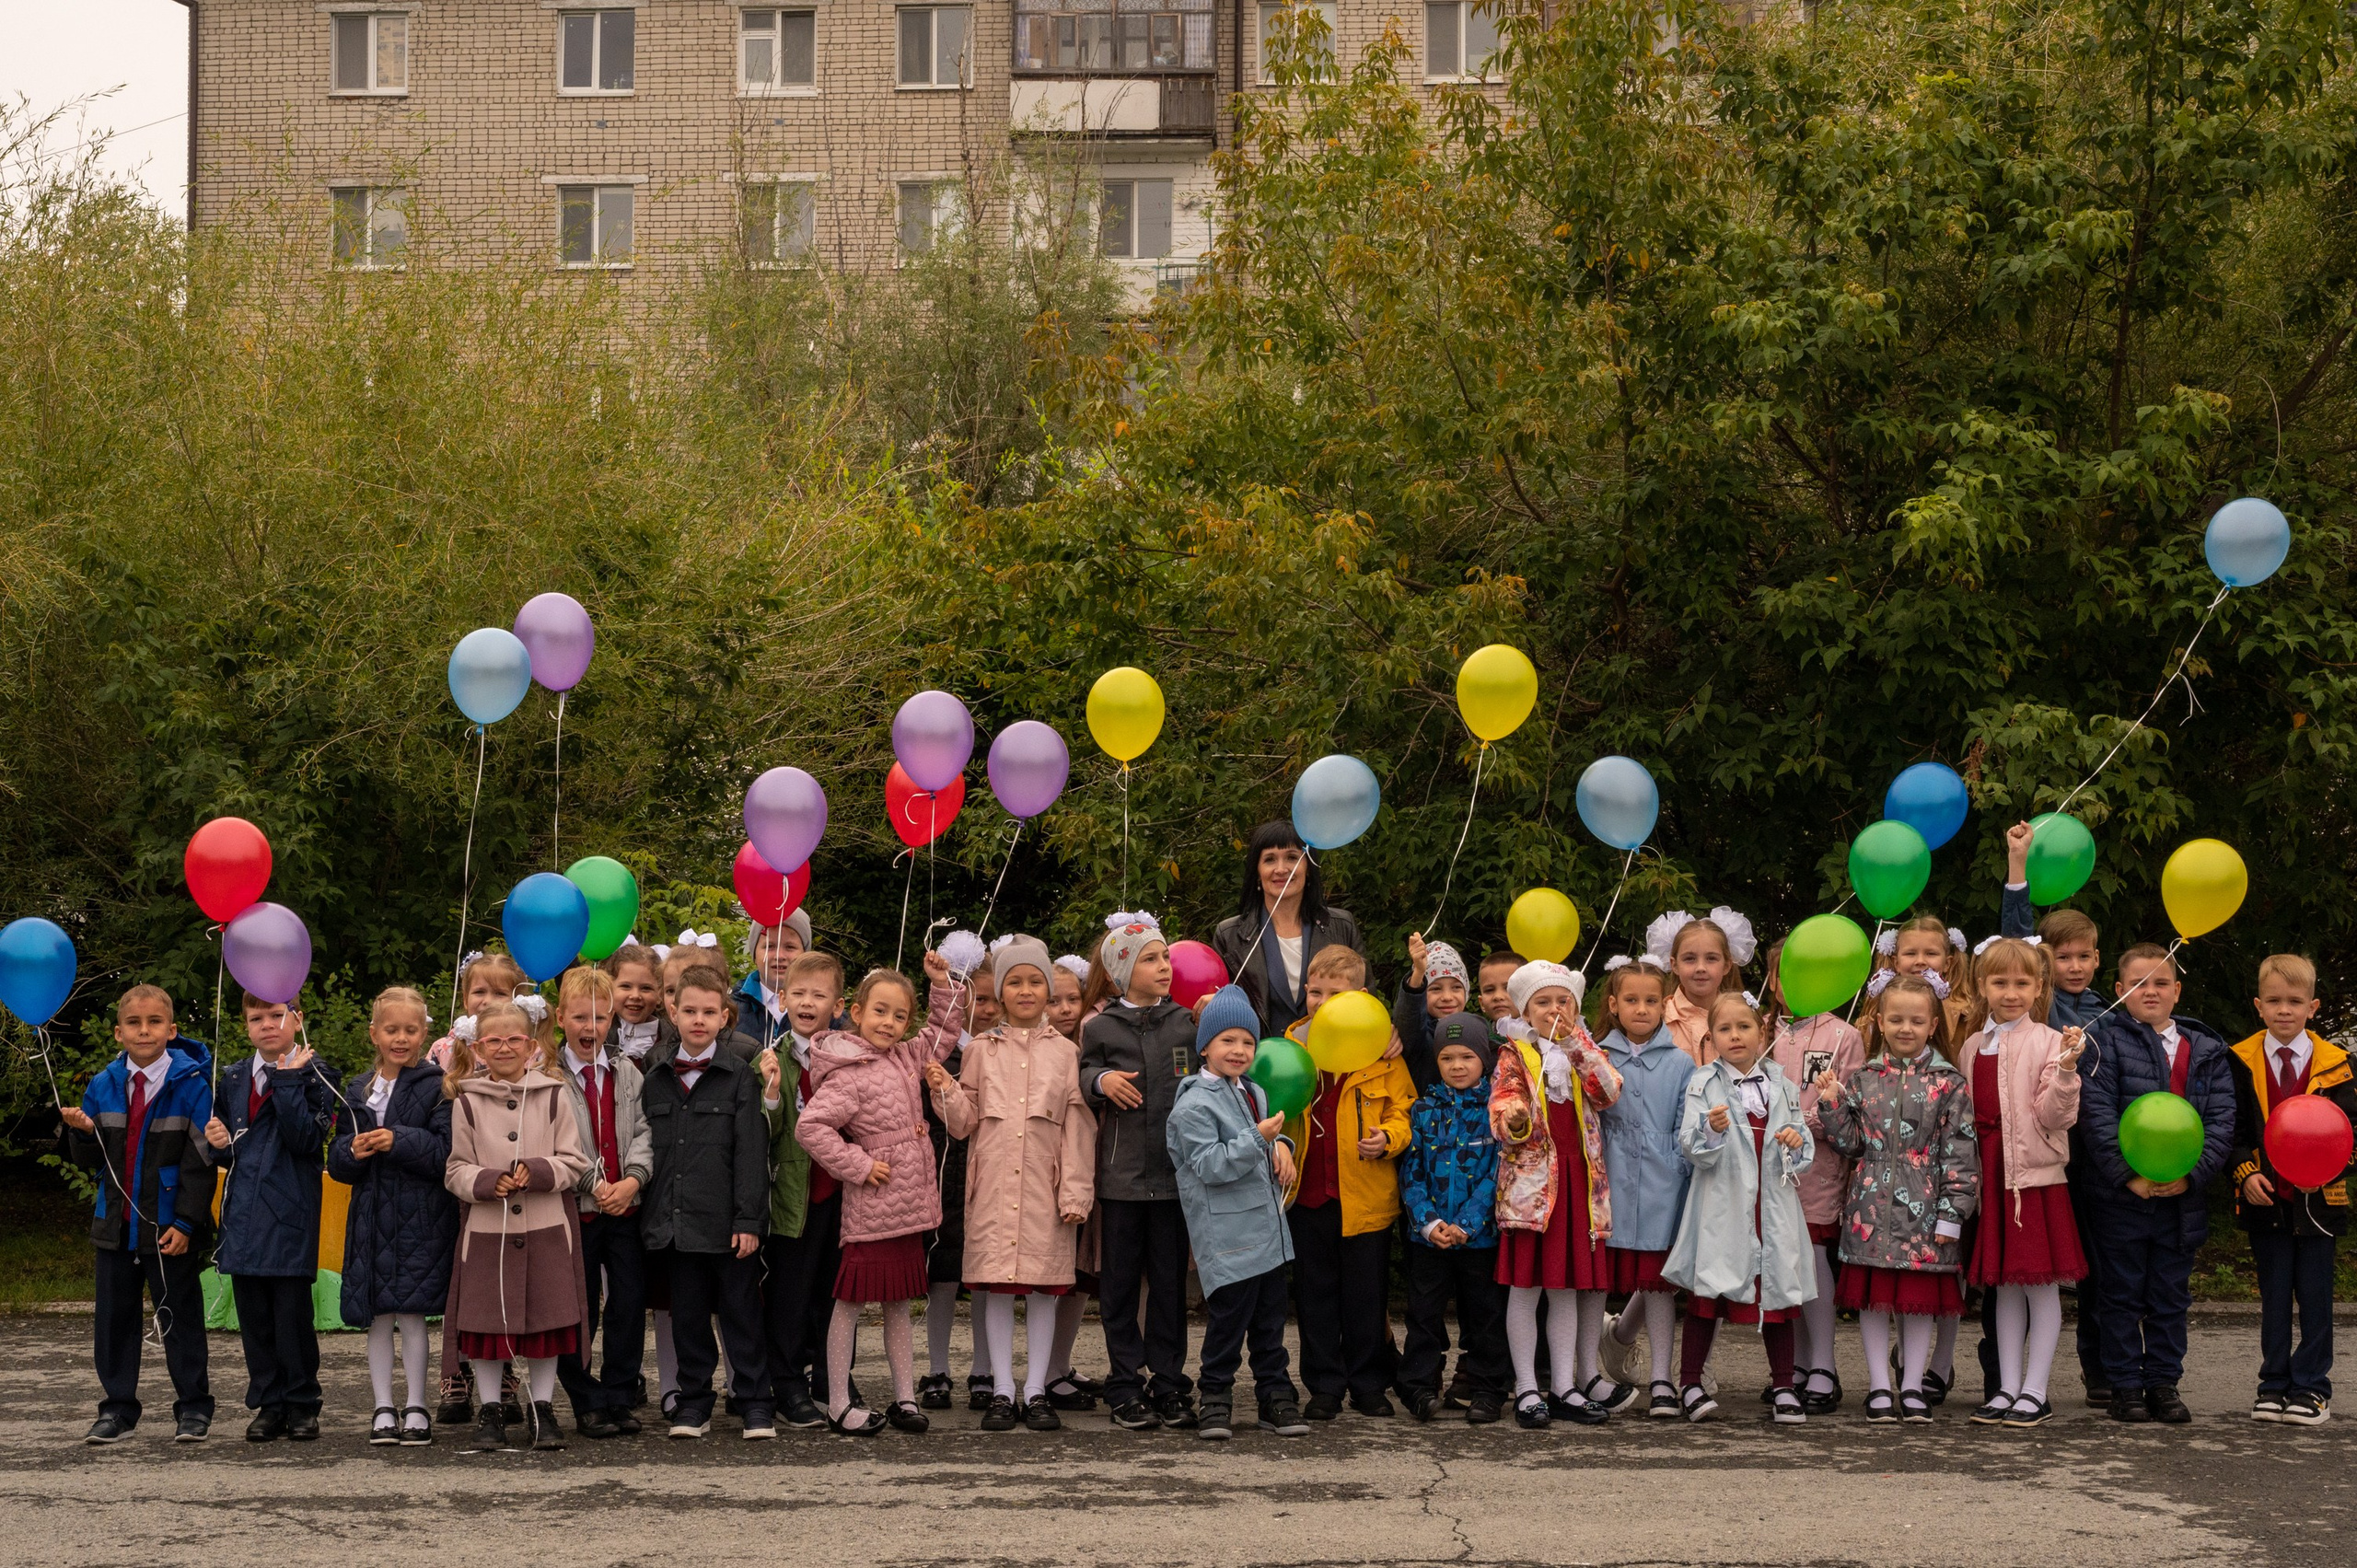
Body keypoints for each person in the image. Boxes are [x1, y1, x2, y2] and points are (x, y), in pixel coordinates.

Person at [927, 935, 1097, 1432]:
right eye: (1014, 982)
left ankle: (1038, 1389)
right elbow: (964, 1123)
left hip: (1046, 1192)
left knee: (1045, 1291)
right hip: (994, 1193)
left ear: (1049, 991)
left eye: (1035, 981)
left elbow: (1078, 1131)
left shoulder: (1068, 1054)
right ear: (999, 993)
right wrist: (945, 1091)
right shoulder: (979, 1050)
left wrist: (1075, 1193)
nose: (1025, 990)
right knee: (997, 1290)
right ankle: (1003, 1390)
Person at [796, 950, 968, 1435]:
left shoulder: (906, 1057)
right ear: (855, 1012)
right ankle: (835, 1401)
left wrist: (940, 985)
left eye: (899, 1016)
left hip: (909, 1211)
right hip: (872, 1211)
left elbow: (943, 1034)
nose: (889, 1023)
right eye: (879, 1011)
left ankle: (905, 1398)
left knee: (898, 1305)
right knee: (849, 1305)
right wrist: (859, 1164)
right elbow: (811, 1128)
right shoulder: (847, 1072)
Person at [2082, 943, 2236, 1423]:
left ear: (2178, 991)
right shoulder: (2101, 1044)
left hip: (2180, 1201)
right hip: (2121, 1197)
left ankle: (2164, 1383)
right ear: (2119, 990)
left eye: (2161, 983)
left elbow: (2222, 1121)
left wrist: (2191, 1175)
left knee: (2170, 1296)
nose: (2151, 991)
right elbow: (2096, 1116)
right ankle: (2126, 1385)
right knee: (2120, 1293)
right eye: (2138, 983)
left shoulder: (2207, 1051)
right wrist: (2129, 1175)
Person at [1813, 975, 1978, 1423]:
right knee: (1874, 1300)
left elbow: (1960, 1152)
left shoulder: (1949, 1083)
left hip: (1924, 1212)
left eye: (1917, 1020)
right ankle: (1879, 1387)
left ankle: (1912, 1385)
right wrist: (1832, 1104)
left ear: (1932, 1024)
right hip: (1868, 1208)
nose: (1907, 1028)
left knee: (1918, 1301)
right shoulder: (1864, 1078)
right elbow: (1850, 1144)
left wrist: (1952, 1215)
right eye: (1897, 1019)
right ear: (1880, 1021)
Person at [61, 984, 216, 1445]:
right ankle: (118, 1409)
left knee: (179, 1318)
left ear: (171, 1029)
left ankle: (193, 1407)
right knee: (113, 1321)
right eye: (134, 1023)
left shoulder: (191, 1085)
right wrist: (85, 1136)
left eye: (153, 1023)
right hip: (115, 1224)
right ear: (118, 1032)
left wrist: (187, 1222)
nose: (143, 1030)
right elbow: (90, 1162)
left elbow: (202, 1164)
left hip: (169, 1226)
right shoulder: (103, 1085)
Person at [442, 997, 594, 1453]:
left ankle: (543, 1409)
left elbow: (575, 1161)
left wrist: (540, 1170)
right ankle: (490, 1410)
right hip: (489, 1233)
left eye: (514, 1040)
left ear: (530, 1045)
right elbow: (455, 1170)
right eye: (494, 1041)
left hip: (547, 1228)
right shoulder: (466, 1102)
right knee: (488, 1325)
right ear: (478, 1048)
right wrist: (488, 1182)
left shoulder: (553, 1094)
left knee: (545, 1324)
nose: (504, 1048)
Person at [1953, 937, 2086, 1428]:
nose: (2011, 992)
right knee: (2003, 1287)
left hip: (2032, 1180)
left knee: (2040, 1287)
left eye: (2022, 983)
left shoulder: (2050, 1042)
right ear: (1981, 986)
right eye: (2000, 982)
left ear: (2038, 987)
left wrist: (2067, 1071)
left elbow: (2055, 1115)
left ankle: (2037, 1390)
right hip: (1990, 1179)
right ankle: (2007, 1387)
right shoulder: (1971, 1046)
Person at [1167, 984, 1309, 1441]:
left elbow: (1261, 1144)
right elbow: (1209, 1165)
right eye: (1227, 1040)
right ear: (1204, 1046)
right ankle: (1215, 1399)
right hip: (1228, 1239)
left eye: (1247, 1041)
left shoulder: (1253, 1092)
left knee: (1270, 1326)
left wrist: (1283, 1147)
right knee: (1227, 1326)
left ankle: (1275, 1397)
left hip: (1267, 1232)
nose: (1240, 1050)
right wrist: (1262, 1140)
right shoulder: (1192, 1104)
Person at [1663, 993, 1815, 1423]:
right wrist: (1710, 1132)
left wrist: (1795, 1144)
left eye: (1744, 1027)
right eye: (1725, 1029)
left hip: (1771, 1209)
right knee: (1707, 1295)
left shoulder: (1782, 1085)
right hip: (1723, 1208)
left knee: (1778, 1294)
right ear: (1711, 1038)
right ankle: (1690, 1381)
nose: (1735, 1036)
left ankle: (1784, 1383)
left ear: (1762, 1032)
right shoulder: (1703, 1083)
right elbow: (1690, 1146)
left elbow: (1803, 1149)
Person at [1278, 944, 1414, 1420]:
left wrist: (1390, 1138)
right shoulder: (1290, 1045)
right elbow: (1268, 1103)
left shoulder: (1381, 1052)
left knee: (1365, 1298)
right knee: (1314, 1297)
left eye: (1335, 993)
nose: (1321, 1001)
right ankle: (1324, 1387)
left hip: (1365, 1198)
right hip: (1308, 1196)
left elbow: (1405, 1110)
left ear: (1359, 996)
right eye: (1315, 991)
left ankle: (1369, 1385)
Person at [639, 962, 772, 1441]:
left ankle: (756, 1402)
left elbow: (751, 1153)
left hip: (727, 1224)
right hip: (677, 1225)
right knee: (688, 1319)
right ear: (673, 1012)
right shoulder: (653, 1077)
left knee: (741, 1314)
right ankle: (693, 1403)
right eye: (689, 1010)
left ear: (724, 1017)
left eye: (709, 1012)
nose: (698, 1019)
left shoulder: (740, 1077)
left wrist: (748, 1219)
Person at [1078, 912, 1201, 1430]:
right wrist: (1101, 1079)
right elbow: (1083, 1071)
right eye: (1150, 958)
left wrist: (1219, 1014)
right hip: (1122, 1180)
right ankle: (1125, 1384)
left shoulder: (1187, 1022)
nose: (1164, 966)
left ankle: (1170, 1383)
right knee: (1121, 1287)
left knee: (1171, 1288)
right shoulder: (1102, 1026)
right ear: (1122, 971)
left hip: (1174, 1180)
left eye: (1166, 956)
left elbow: (1222, 1061)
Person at [1489, 959, 1622, 1427]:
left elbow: (1608, 1092)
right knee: (1526, 1288)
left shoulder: (1584, 1050)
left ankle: (1564, 1385)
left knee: (1566, 1287)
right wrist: (1515, 1120)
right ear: (1525, 1012)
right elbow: (1504, 1103)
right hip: (1532, 1191)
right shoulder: (1513, 1054)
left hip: (1579, 1187)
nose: (1553, 1010)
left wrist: (1576, 1043)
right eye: (1542, 1003)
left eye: (1561, 1001)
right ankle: (1527, 1386)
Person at [201, 991, 339, 1443]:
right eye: (256, 1017)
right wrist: (217, 1140)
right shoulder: (235, 1076)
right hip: (243, 1216)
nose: (267, 1025)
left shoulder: (319, 1076)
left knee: (292, 1319)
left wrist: (287, 1080)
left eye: (277, 1015)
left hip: (289, 1214)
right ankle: (268, 1403)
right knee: (255, 1320)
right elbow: (230, 1148)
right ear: (245, 1025)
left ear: (297, 1020)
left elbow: (304, 1140)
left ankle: (302, 1402)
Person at [328, 985, 455, 1447]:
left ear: (425, 1033)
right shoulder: (356, 1088)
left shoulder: (439, 1085)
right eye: (391, 1029)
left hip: (420, 1218)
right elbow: (337, 1159)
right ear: (373, 1034)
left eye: (411, 1029)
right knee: (378, 1316)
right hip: (369, 1218)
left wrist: (398, 1140)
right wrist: (353, 1150)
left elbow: (445, 1152)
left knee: (414, 1314)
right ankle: (383, 1405)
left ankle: (417, 1404)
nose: (401, 1038)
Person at [2227, 954, 2351, 1425]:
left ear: (2313, 1006)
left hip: (2320, 1202)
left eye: (2295, 1001)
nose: (2284, 1010)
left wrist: (2329, 1169)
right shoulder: (2238, 1061)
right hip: (2266, 1200)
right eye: (2274, 1001)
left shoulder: (2339, 1065)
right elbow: (2231, 1131)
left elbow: (2351, 1134)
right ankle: (2273, 1385)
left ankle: (2312, 1388)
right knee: (2274, 1296)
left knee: (2316, 1296)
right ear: (2259, 1005)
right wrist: (2245, 1173)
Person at [552, 965, 654, 1439]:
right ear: (560, 1019)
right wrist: (593, 1183)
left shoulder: (628, 1073)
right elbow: (557, 1141)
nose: (588, 1027)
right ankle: (585, 1398)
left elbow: (642, 1132)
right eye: (578, 1018)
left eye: (598, 1018)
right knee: (579, 1306)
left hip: (624, 1208)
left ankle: (618, 1393)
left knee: (628, 1303)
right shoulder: (549, 1080)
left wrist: (632, 1181)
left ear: (611, 1021)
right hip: (578, 1210)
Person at [1763, 945, 1865, 1413]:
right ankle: (1799, 1365)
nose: (1793, 985)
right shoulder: (1761, 1032)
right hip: (1767, 1168)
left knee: (1814, 1257)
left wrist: (1803, 1124)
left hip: (1817, 1169)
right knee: (1785, 1261)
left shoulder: (1843, 1036)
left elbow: (1847, 1109)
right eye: (1783, 975)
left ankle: (1824, 1364)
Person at [1595, 957, 1695, 1418]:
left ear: (1664, 1005)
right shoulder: (1596, 1056)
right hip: (1609, 1184)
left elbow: (1685, 1124)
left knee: (1658, 1285)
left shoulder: (1680, 1063)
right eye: (1631, 1000)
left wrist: (1678, 1165)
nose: (1641, 1009)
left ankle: (1661, 1379)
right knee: (1597, 1281)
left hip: (1661, 1185)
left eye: (1651, 1000)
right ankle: (1585, 1374)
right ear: (1613, 1005)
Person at [1398, 1011, 1509, 1424]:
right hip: (1430, 1239)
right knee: (1423, 1315)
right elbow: (1411, 1172)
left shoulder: (1496, 1110)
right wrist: (1428, 1223)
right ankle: (1420, 1388)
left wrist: (1467, 1223)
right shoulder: (1423, 1110)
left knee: (1484, 1316)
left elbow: (1498, 1174)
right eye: (1447, 1058)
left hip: (1477, 1239)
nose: (1457, 1066)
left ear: (1485, 1059)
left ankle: (1487, 1388)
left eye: (1466, 1057)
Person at [757, 948, 851, 1430]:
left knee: (836, 1292)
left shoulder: (854, 1058)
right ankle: (788, 1383)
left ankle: (834, 1379)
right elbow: (765, 1135)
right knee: (790, 1293)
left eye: (819, 994)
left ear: (838, 1006)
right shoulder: (771, 1060)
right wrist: (771, 1094)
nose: (808, 1002)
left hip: (845, 1195)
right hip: (794, 1195)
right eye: (798, 993)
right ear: (783, 999)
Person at [923, 939, 993, 1412]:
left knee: (986, 1276)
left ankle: (985, 1369)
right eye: (974, 998)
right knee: (942, 1274)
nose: (982, 1008)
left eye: (990, 998)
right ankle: (938, 1368)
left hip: (990, 1178)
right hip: (944, 1177)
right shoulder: (935, 1053)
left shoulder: (1004, 1051)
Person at [1211, 820, 1364, 1036]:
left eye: (1292, 857)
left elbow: (1366, 1002)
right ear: (1257, 871)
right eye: (1269, 859)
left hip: (1332, 1059)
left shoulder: (1342, 926)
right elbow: (1218, 1015)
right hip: (1259, 1064)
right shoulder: (1229, 935)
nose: (1281, 869)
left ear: (1308, 868)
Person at [1644, 908, 1756, 1065]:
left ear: (1727, 965)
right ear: (1674, 965)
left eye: (1711, 958)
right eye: (1690, 959)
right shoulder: (1657, 1019)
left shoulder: (1744, 1019)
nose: (1700, 968)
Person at [1392, 933, 1470, 1092]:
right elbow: (1408, 1020)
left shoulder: (1477, 1029)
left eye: (1456, 987)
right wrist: (1419, 974)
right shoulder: (1420, 1035)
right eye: (1435, 989)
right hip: (1425, 1114)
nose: (1447, 997)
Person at [735, 911, 812, 1053]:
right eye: (769, 946)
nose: (779, 956)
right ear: (754, 954)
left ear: (804, 954)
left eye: (790, 947)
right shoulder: (730, 1009)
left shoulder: (827, 1012)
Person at [602, 941, 668, 1063]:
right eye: (626, 986)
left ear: (660, 994)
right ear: (609, 988)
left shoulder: (671, 1040)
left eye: (646, 988)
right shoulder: (598, 1034)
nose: (635, 996)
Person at [1475, 951, 1522, 1025]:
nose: (1498, 996)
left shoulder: (1544, 1034)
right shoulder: (1478, 1035)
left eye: (1508, 988)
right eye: (1489, 990)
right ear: (1482, 1003)